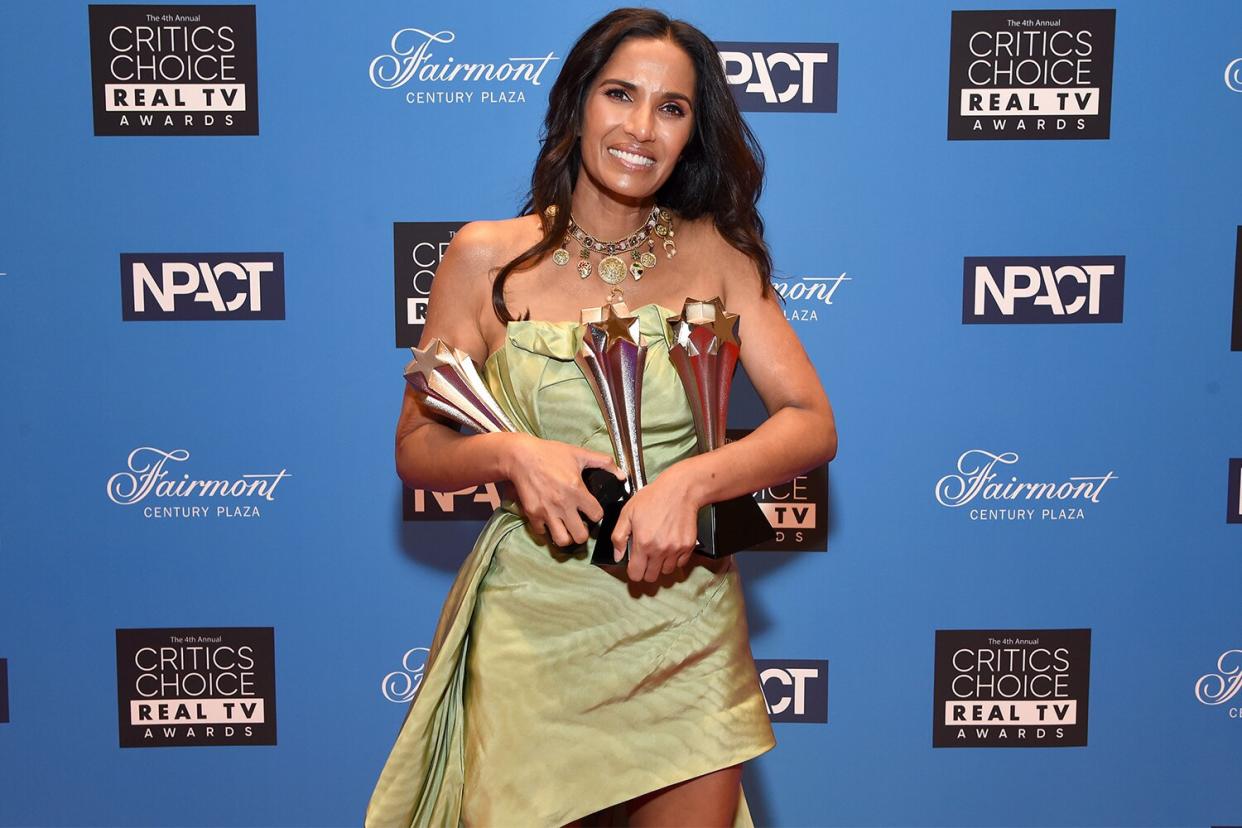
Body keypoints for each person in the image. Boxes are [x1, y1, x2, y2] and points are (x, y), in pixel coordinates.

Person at [367, 8, 837, 827]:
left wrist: (690, 483)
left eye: (672, 107)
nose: (641, 127)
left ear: (693, 131)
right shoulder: (485, 257)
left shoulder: (721, 255)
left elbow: (809, 420)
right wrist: (512, 454)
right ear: (579, 102)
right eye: (621, 94)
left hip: (682, 618)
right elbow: (417, 444)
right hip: (536, 624)